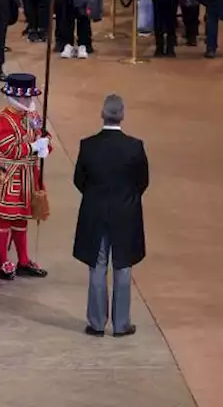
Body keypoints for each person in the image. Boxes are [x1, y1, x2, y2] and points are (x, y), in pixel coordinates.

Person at [72, 94, 147, 337]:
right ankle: (121, 324)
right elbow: (142, 181)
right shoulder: (135, 147)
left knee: (97, 265)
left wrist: (95, 197)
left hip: (95, 212)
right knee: (123, 267)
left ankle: (96, 323)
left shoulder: (88, 145)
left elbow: (79, 180)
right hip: (125, 214)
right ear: (122, 115)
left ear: (102, 114)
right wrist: (127, 199)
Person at [0, 73, 52, 281]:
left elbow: (42, 134)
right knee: (4, 220)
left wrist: (45, 145)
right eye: (25, 98)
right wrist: (33, 147)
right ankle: (3, 261)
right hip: (8, 175)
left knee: (21, 219)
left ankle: (23, 260)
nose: (29, 102)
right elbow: (8, 149)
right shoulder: (2, 120)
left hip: (28, 175)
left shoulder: (32, 115)